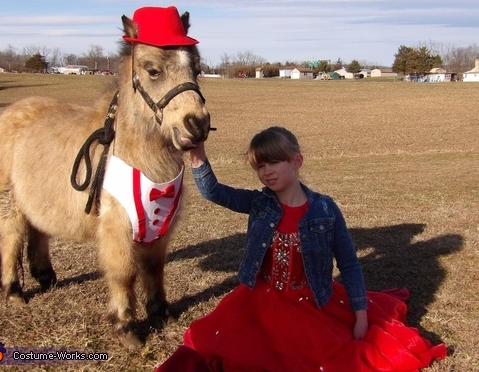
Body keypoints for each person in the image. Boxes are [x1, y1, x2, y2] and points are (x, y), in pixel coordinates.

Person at [157, 126, 446, 372]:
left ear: (298, 161)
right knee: (225, 345)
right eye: (260, 166)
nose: (267, 172)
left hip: (311, 302)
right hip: (259, 297)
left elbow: (349, 264)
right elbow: (213, 192)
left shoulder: (325, 209)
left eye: (274, 162)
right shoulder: (260, 203)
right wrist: (198, 152)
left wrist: (360, 315)